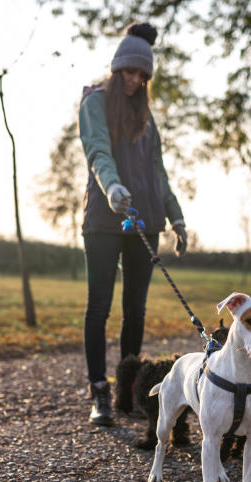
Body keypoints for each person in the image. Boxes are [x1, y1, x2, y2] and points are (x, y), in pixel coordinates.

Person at [78, 22, 187, 426]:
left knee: (135, 310)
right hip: (105, 217)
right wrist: (111, 187)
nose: (135, 80)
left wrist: (175, 216)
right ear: (117, 66)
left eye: (143, 76)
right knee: (99, 306)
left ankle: (126, 392)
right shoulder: (94, 102)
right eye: (130, 71)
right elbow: (97, 152)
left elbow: (158, 170)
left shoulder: (147, 115)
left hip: (146, 219)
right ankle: (99, 393)